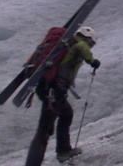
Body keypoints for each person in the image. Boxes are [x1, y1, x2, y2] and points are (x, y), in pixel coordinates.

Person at [25, 26, 101, 166]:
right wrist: (92, 61)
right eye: (92, 43)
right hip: (53, 90)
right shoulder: (79, 43)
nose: (91, 46)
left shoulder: (67, 44)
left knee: (66, 114)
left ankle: (64, 150)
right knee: (44, 130)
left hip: (49, 89)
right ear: (88, 39)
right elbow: (82, 47)